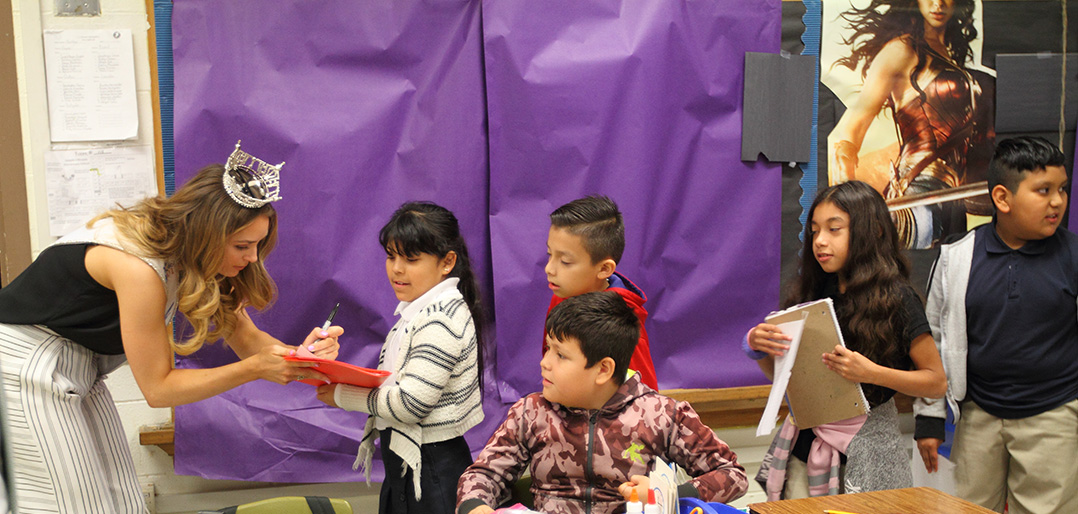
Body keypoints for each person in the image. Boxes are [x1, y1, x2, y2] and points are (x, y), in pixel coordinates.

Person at [0, 142, 342, 513]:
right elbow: (159, 389)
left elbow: (247, 339)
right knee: (74, 506)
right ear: (207, 234)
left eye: (258, 244)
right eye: (243, 245)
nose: (253, 257)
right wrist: (254, 369)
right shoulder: (138, 265)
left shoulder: (195, 257)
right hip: (22, 366)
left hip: (78, 368)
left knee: (123, 503)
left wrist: (302, 358)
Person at [458, 291, 747, 514]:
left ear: (603, 369)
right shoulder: (531, 412)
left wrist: (667, 493)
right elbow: (484, 474)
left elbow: (732, 474)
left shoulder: (662, 414)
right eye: (548, 349)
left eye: (560, 355)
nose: (544, 363)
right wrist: (476, 506)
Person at [746, 180, 946, 499]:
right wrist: (762, 348)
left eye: (834, 229)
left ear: (872, 231)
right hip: (804, 446)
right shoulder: (811, 293)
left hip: (868, 450)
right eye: (815, 230)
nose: (820, 241)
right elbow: (788, 381)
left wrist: (871, 373)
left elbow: (936, 383)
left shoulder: (898, 298)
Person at [913, 137, 1078, 514]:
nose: (1057, 201)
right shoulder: (956, 258)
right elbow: (933, 342)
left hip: (1054, 417)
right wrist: (929, 419)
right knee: (968, 509)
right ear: (1002, 198)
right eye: (1044, 190)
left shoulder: (1072, 256)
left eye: (1062, 189)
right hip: (978, 416)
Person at [315, 201, 486, 514]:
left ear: (447, 262)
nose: (397, 269)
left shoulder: (441, 317)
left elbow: (411, 404)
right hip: (408, 463)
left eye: (411, 259)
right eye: (391, 256)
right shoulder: (420, 311)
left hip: (433, 471)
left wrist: (343, 394)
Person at [827, 0, 995, 249]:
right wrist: (850, 206)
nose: (938, 3)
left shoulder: (948, 54)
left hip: (954, 202)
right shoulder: (901, 49)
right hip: (917, 196)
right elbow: (852, 129)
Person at [544, 195, 658, 389]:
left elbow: (645, 399)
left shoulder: (622, 329)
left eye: (565, 261)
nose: (549, 269)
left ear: (604, 269)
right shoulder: (562, 296)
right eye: (550, 254)